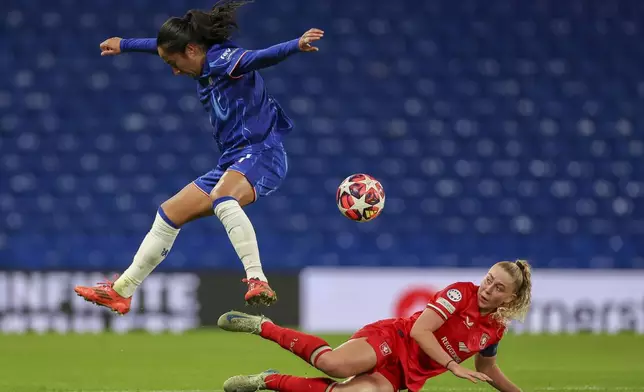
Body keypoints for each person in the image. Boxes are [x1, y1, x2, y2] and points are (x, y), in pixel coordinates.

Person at [74, 0, 324, 313]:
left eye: (174, 63)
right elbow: (160, 46)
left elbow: (259, 58)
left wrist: (295, 45)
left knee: (223, 198)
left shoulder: (224, 59)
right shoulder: (197, 58)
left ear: (192, 49)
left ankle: (257, 278)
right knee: (169, 213)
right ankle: (122, 291)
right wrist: (124, 44)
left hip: (263, 154)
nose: (175, 71)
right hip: (233, 159)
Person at [218, 260, 532, 392]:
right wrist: (453, 366)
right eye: (489, 279)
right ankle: (264, 327)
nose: (488, 289)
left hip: (403, 376)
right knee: (334, 365)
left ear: (511, 297)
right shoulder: (460, 292)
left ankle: (267, 380)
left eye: (498, 288)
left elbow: (488, 368)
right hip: (394, 339)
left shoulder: (495, 330)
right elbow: (420, 330)